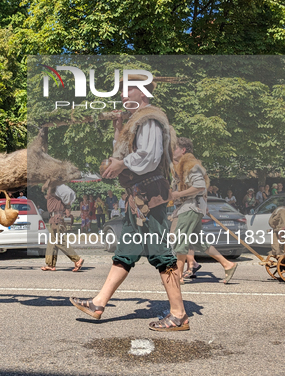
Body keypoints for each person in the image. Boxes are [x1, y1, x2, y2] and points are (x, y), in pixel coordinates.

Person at [70, 81, 188, 331]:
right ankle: (98, 303)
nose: (123, 96)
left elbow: (149, 155)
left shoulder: (150, 119)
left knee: (162, 254)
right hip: (137, 197)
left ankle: (179, 315)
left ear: (143, 92)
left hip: (150, 195)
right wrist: (117, 131)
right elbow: (123, 152)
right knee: (126, 252)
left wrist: (122, 165)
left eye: (128, 90)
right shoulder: (134, 122)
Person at [170, 138, 237, 285]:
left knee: (180, 240)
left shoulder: (191, 165)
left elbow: (200, 186)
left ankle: (178, 276)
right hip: (192, 206)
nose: (172, 150)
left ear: (183, 150)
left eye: (174, 148)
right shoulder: (183, 165)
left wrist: (178, 195)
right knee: (199, 242)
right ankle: (227, 264)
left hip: (190, 206)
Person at [41, 184, 83, 272]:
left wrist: (67, 205)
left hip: (57, 218)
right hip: (54, 218)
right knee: (52, 241)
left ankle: (77, 259)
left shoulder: (56, 186)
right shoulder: (52, 188)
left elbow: (69, 193)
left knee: (58, 241)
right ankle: (50, 264)